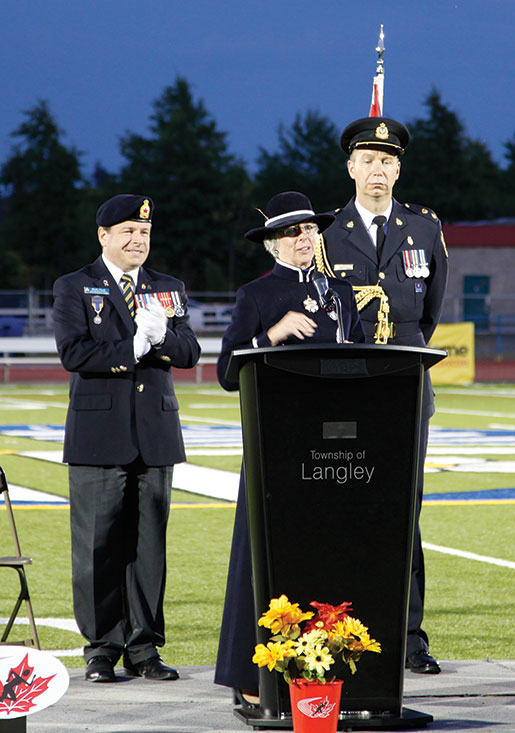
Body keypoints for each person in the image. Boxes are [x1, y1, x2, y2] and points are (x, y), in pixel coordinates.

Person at [214, 191, 365, 705]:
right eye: (290, 233)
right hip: (275, 445)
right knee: (258, 560)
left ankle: (335, 671)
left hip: (336, 450)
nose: (302, 238)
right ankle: (249, 676)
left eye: (308, 230)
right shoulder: (255, 295)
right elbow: (225, 373)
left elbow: (363, 360)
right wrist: (271, 335)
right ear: (272, 244)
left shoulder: (342, 293)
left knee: (330, 557)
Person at [315, 117, 449, 674]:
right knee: (341, 511)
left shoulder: (422, 228)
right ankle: (341, 634)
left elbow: (431, 310)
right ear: (350, 167)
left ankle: (408, 637)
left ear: (399, 168)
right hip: (346, 393)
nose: (379, 169)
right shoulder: (324, 233)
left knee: (403, 515)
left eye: (389, 161)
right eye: (368, 160)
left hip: (405, 392)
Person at [53, 194, 201, 683]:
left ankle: (144, 648)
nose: (138, 240)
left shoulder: (168, 287)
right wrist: (131, 347)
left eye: (144, 233)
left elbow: (189, 353)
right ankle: (100, 647)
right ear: (104, 237)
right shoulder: (75, 286)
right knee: (97, 547)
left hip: (155, 434)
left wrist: (160, 339)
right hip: (99, 434)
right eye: (127, 233)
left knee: (148, 547)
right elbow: (75, 353)